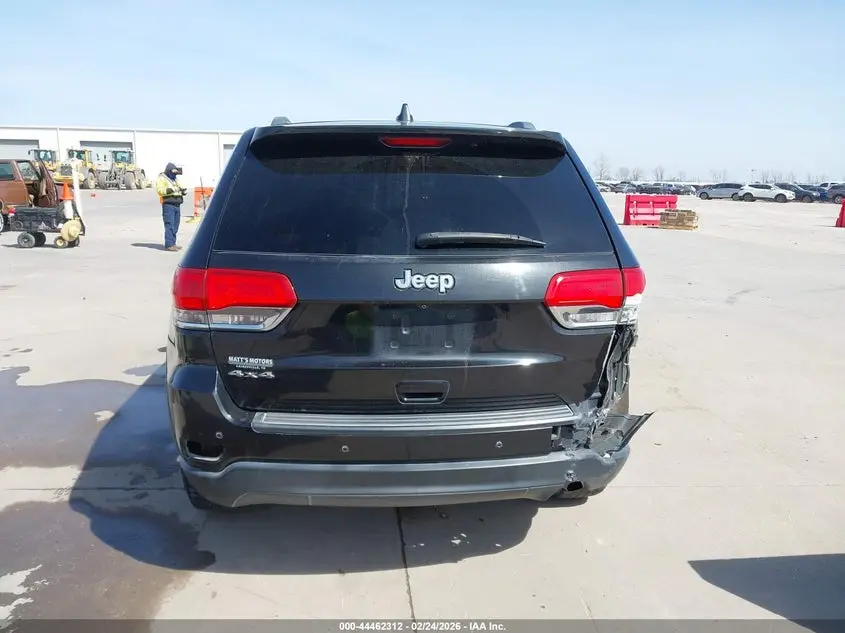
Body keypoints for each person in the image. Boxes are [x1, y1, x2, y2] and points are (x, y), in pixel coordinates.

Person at [155, 162, 188, 251]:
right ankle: (169, 244)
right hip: (168, 204)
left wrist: (183, 191)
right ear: (168, 171)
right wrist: (173, 189)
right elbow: (160, 190)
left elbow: (180, 187)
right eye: (172, 173)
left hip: (177, 203)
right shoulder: (162, 179)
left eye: (175, 173)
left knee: (175, 225)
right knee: (169, 224)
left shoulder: (175, 179)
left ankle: (173, 243)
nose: (174, 174)